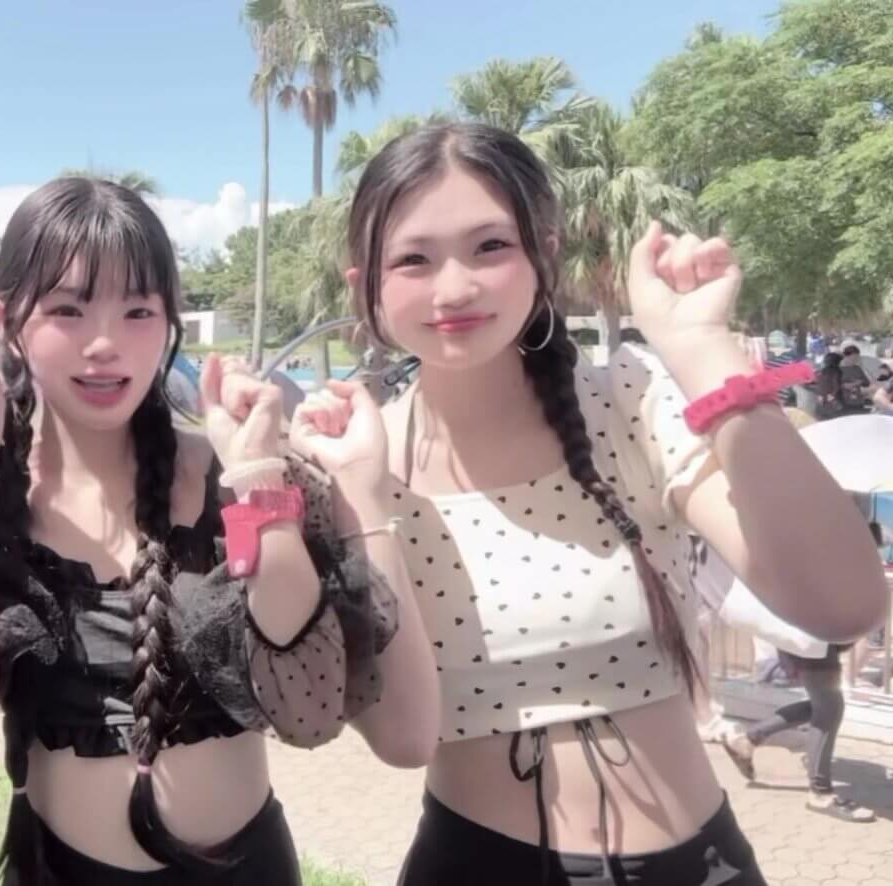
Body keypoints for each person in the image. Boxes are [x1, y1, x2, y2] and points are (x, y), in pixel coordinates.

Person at [340, 122, 887, 884]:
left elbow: (843, 602)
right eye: (414, 259)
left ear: (546, 253)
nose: (454, 287)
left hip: (701, 865)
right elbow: (392, 734)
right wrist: (355, 500)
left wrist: (701, 349)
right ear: (363, 284)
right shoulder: (355, 467)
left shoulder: (630, 404)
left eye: (491, 246)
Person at [0, 178, 435, 884]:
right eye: (67, 309)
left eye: (138, 311)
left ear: (169, 321)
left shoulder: (236, 474)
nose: (104, 344)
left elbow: (308, 712)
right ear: (8, 323)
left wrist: (257, 478)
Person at [717, 520, 883, 823]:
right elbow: (801, 599)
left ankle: (748, 739)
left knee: (822, 706)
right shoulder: (827, 554)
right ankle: (820, 792)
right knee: (829, 707)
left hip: (814, 639)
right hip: (811, 638)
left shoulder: (824, 548)